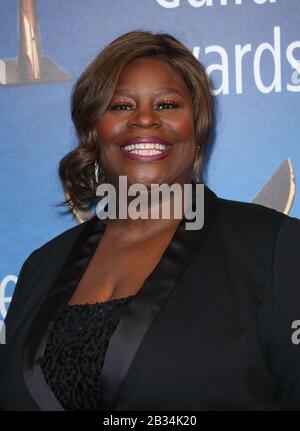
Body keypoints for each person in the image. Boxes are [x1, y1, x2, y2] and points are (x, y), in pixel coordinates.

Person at [0, 30, 300, 411]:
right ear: (94, 129)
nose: (145, 119)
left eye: (168, 105)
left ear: (198, 126)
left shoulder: (277, 251)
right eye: (122, 106)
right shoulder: (40, 268)